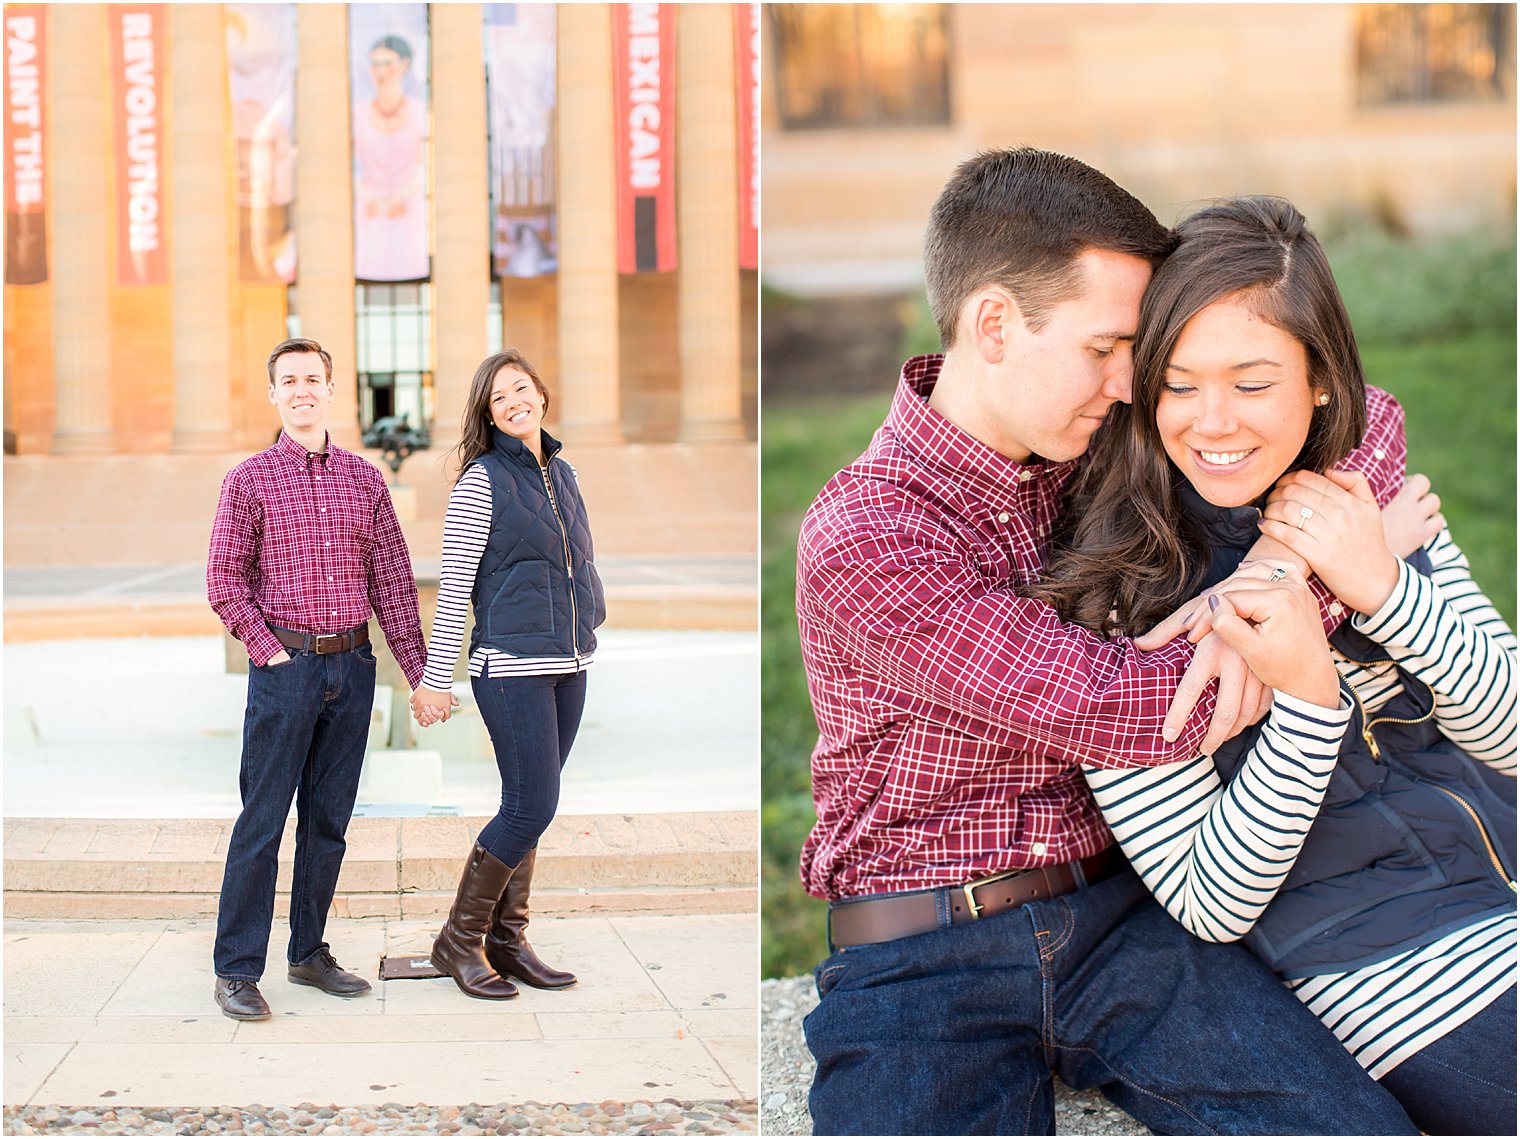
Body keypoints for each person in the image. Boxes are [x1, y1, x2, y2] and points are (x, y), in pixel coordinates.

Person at [794, 148, 1418, 1134]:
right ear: (994, 323)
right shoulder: (869, 535)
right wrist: (1325, 585)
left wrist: (1281, 573)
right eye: (1103, 346)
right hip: (919, 955)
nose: (1132, 384)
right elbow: (1134, 708)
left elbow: (1362, 417)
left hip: (1128, 928)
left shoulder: (1094, 452)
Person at [1034, 196, 1516, 1135]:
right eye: (1178, 383)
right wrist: (1304, 699)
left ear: (1322, 381)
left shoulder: (1361, 504)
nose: (1212, 422)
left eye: (1252, 382)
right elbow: (1208, 900)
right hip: (1394, 968)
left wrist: (1381, 584)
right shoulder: (1112, 594)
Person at [207, 337, 427, 1021]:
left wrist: (419, 675)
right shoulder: (248, 479)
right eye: (289, 380)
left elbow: (391, 581)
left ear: (332, 391)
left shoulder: (366, 481)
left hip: (351, 667)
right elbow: (224, 581)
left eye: (313, 379)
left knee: (328, 823)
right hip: (286, 669)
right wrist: (267, 650)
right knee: (263, 822)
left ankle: (307, 953)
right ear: (273, 393)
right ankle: (238, 969)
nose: (302, 389)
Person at [411, 350, 606, 1000]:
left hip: (569, 664)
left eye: (520, 388)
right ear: (488, 414)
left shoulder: (566, 472)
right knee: (530, 806)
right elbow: (456, 583)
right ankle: (459, 941)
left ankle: (507, 939)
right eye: (499, 398)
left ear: (541, 393)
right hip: (511, 667)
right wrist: (436, 679)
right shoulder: (481, 481)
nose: (513, 401)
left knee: (533, 809)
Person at [353, 34, 427, 282]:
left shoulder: (420, 113)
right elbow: (346, 169)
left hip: (408, 214)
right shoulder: (357, 114)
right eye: (375, 63)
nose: (380, 71)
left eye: (387, 62)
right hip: (369, 213)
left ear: (405, 65)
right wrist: (373, 200)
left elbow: (426, 166)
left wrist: (396, 199)